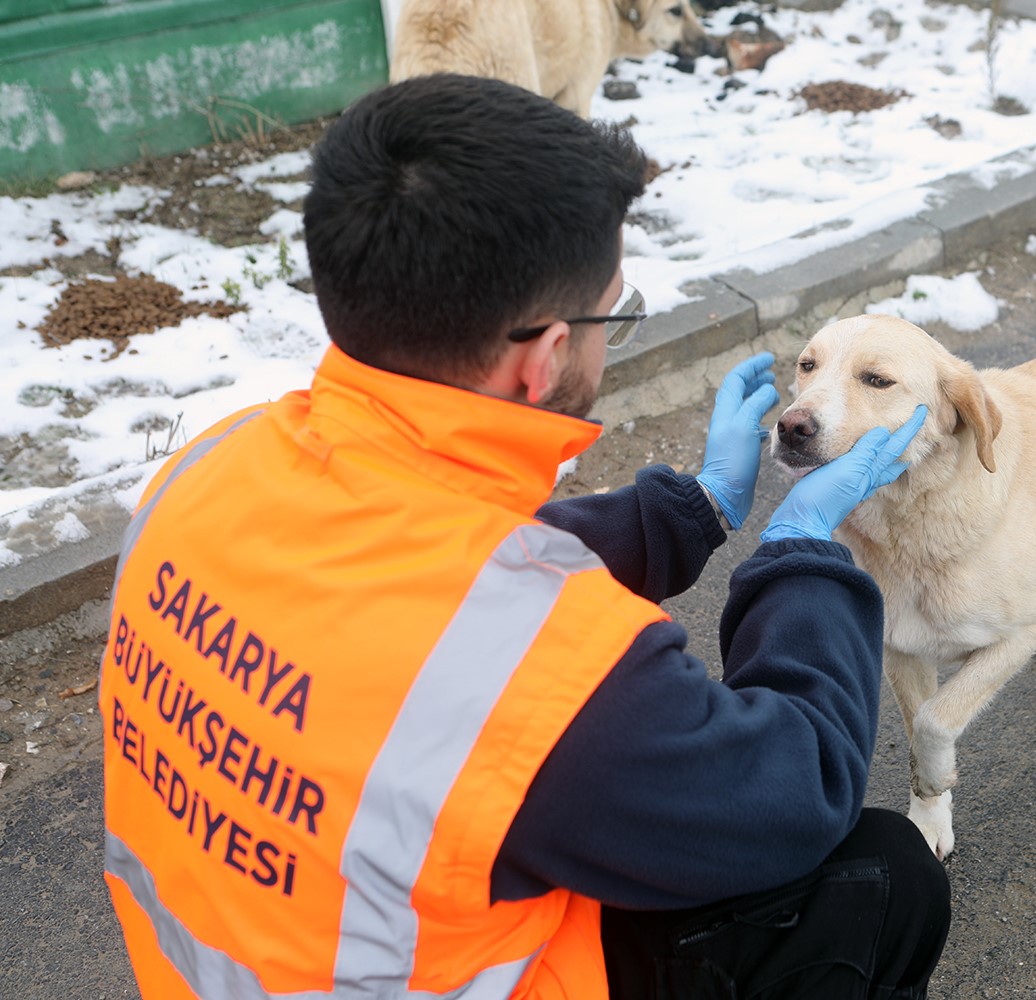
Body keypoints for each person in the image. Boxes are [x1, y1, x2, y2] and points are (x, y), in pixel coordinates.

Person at [98, 73, 949, 999]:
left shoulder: (206, 468)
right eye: (612, 317)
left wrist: (689, 510)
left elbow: (420, 560)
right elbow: (800, 786)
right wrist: (802, 555)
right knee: (885, 875)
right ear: (544, 355)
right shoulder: (551, 678)